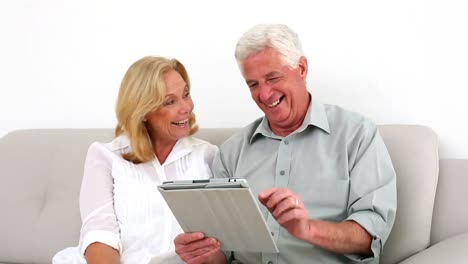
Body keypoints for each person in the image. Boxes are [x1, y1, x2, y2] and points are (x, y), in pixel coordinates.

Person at [174, 24, 397, 264]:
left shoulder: (356, 135)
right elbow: (225, 253)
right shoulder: (232, 151)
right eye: (253, 84)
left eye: (273, 78)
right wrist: (203, 253)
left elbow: (370, 236)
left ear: (301, 68)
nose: (265, 93)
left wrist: (308, 229)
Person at [53, 56, 218, 264]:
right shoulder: (105, 156)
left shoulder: (208, 156)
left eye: (186, 95)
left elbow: (220, 246)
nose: (186, 107)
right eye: (170, 101)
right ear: (143, 111)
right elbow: (99, 236)